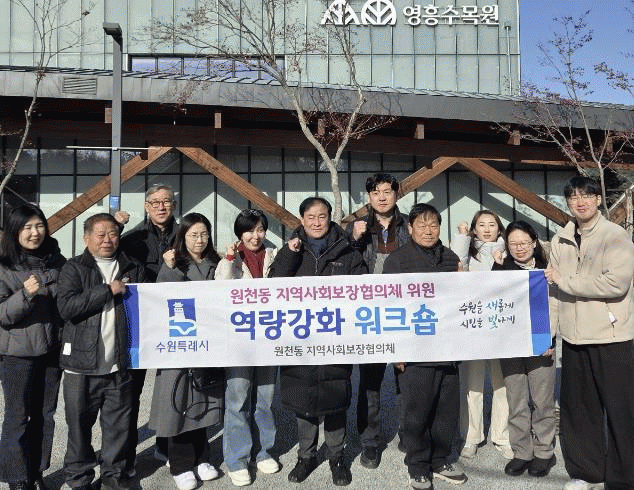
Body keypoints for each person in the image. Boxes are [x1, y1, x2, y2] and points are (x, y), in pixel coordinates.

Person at [269, 197, 367, 487]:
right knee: (304, 400)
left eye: (321, 216)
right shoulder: (290, 249)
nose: (316, 222)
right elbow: (272, 285)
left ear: (330, 218)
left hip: (335, 337)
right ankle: (306, 456)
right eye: (310, 217)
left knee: (335, 399)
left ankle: (337, 457)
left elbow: (363, 289)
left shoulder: (347, 250)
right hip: (299, 339)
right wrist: (290, 255)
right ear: (301, 220)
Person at [546, 176, 634, 490]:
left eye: (586, 195)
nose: (580, 201)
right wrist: (549, 334)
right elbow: (552, 293)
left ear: (598, 199)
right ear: (567, 202)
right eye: (573, 196)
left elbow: (616, 283)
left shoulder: (615, 236)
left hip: (611, 336)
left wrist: (565, 281)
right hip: (573, 337)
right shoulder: (560, 239)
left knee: (621, 409)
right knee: (579, 409)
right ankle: (586, 473)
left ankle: (625, 477)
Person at [57, 213, 144, 490]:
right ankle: (79, 479)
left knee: (118, 428)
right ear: (86, 238)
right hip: (81, 366)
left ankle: (114, 478)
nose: (108, 240)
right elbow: (67, 308)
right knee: (79, 429)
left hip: (120, 365)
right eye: (100, 234)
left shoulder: (133, 266)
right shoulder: (74, 267)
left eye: (113, 234)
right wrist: (107, 290)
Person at [383, 203, 466, 490]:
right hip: (414, 350)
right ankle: (418, 465)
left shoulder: (451, 258)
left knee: (446, 409)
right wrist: (396, 349)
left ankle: (440, 460)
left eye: (433, 225)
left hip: (448, 347)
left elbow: (462, 300)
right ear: (410, 228)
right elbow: (388, 307)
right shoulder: (397, 261)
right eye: (421, 225)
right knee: (416, 411)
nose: (428, 230)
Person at [150, 213, 223, 490]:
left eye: (204, 234)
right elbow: (160, 298)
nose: (199, 240)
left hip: (208, 345)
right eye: (193, 235)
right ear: (182, 237)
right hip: (179, 345)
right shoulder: (173, 263)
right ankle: (180, 464)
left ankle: (202, 458)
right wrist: (169, 268)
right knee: (177, 401)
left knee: (204, 400)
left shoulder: (217, 263)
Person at [0, 205, 66, 490]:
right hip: (17, 354)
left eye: (39, 226)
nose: (34, 232)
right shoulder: (4, 265)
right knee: (18, 416)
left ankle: (36, 471)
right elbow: (2, 314)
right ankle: (17, 478)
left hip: (51, 351)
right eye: (27, 227)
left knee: (45, 415)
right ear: (14, 231)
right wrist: (25, 295)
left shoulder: (56, 260)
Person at [346, 173, 410, 468]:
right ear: (368, 197)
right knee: (370, 382)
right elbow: (344, 265)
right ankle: (370, 443)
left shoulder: (410, 224)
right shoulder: (357, 227)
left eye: (387, 191)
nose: (382, 197)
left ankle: (409, 436)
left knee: (406, 379)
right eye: (375, 192)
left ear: (397, 194)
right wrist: (353, 239)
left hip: (405, 310)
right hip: (369, 313)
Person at [215, 209, 279, 487]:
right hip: (239, 342)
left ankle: (263, 451)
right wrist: (230, 259)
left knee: (265, 399)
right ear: (239, 233)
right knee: (238, 399)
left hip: (268, 339)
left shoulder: (274, 256)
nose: (256, 235)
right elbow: (220, 288)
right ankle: (237, 459)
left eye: (260, 229)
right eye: (249, 230)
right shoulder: (230, 259)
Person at [118, 184, 178, 466]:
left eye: (166, 201)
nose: (161, 207)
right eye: (155, 202)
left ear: (174, 205)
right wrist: (115, 228)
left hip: (176, 321)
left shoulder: (186, 234)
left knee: (172, 387)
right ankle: (126, 451)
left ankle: (166, 445)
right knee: (131, 392)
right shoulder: (131, 239)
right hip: (139, 323)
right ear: (146, 206)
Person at [492, 221, 557, 478]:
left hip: (541, 342)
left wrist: (551, 340)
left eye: (524, 243)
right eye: (513, 244)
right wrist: (496, 266)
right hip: (510, 344)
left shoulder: (547, 270)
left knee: (542, 401)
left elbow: (557, 308)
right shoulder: (501, 270)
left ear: (534, 243)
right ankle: (522, 451)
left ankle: (544, 452)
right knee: (516, 399)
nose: (519, 248)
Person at [451, 210, 512, 460]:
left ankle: (502, 436)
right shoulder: (467, 251)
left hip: (502, 328)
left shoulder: (509, 252)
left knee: (503, 384)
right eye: (481, 225)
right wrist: (462, 237)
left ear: (499, 228)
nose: (487, 229)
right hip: (473, 327)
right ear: (474, 230)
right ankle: (471, 436)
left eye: (492, 224)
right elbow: (457, 267)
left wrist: (502, 263)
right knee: (472, 385)